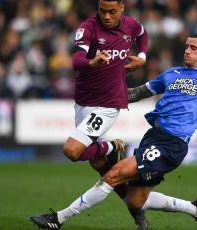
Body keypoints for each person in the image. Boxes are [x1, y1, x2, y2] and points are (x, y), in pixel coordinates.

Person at [30, 33, 197, 230]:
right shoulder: (171, 73)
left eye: (193, 47)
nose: (187, 50)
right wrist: (103, 93)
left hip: (172, 144)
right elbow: (137, 93)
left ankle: (58, 219)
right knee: (134, 201)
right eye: (186, 46)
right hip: (153, 137)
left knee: (115, 173)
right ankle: (195, 209)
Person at [30, 0, 150, 228]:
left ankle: (112, 145)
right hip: (83, 103)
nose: (106, 16)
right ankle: (137, 213)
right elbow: (76, 59)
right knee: (100, 164)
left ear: (122, 8)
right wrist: (91, 62)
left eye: (112, 11)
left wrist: (142, 57)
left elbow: (143, 35)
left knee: (72, 150)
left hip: (108, 105)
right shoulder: (88, 27)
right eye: (102, 11)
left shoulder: (131, 25)